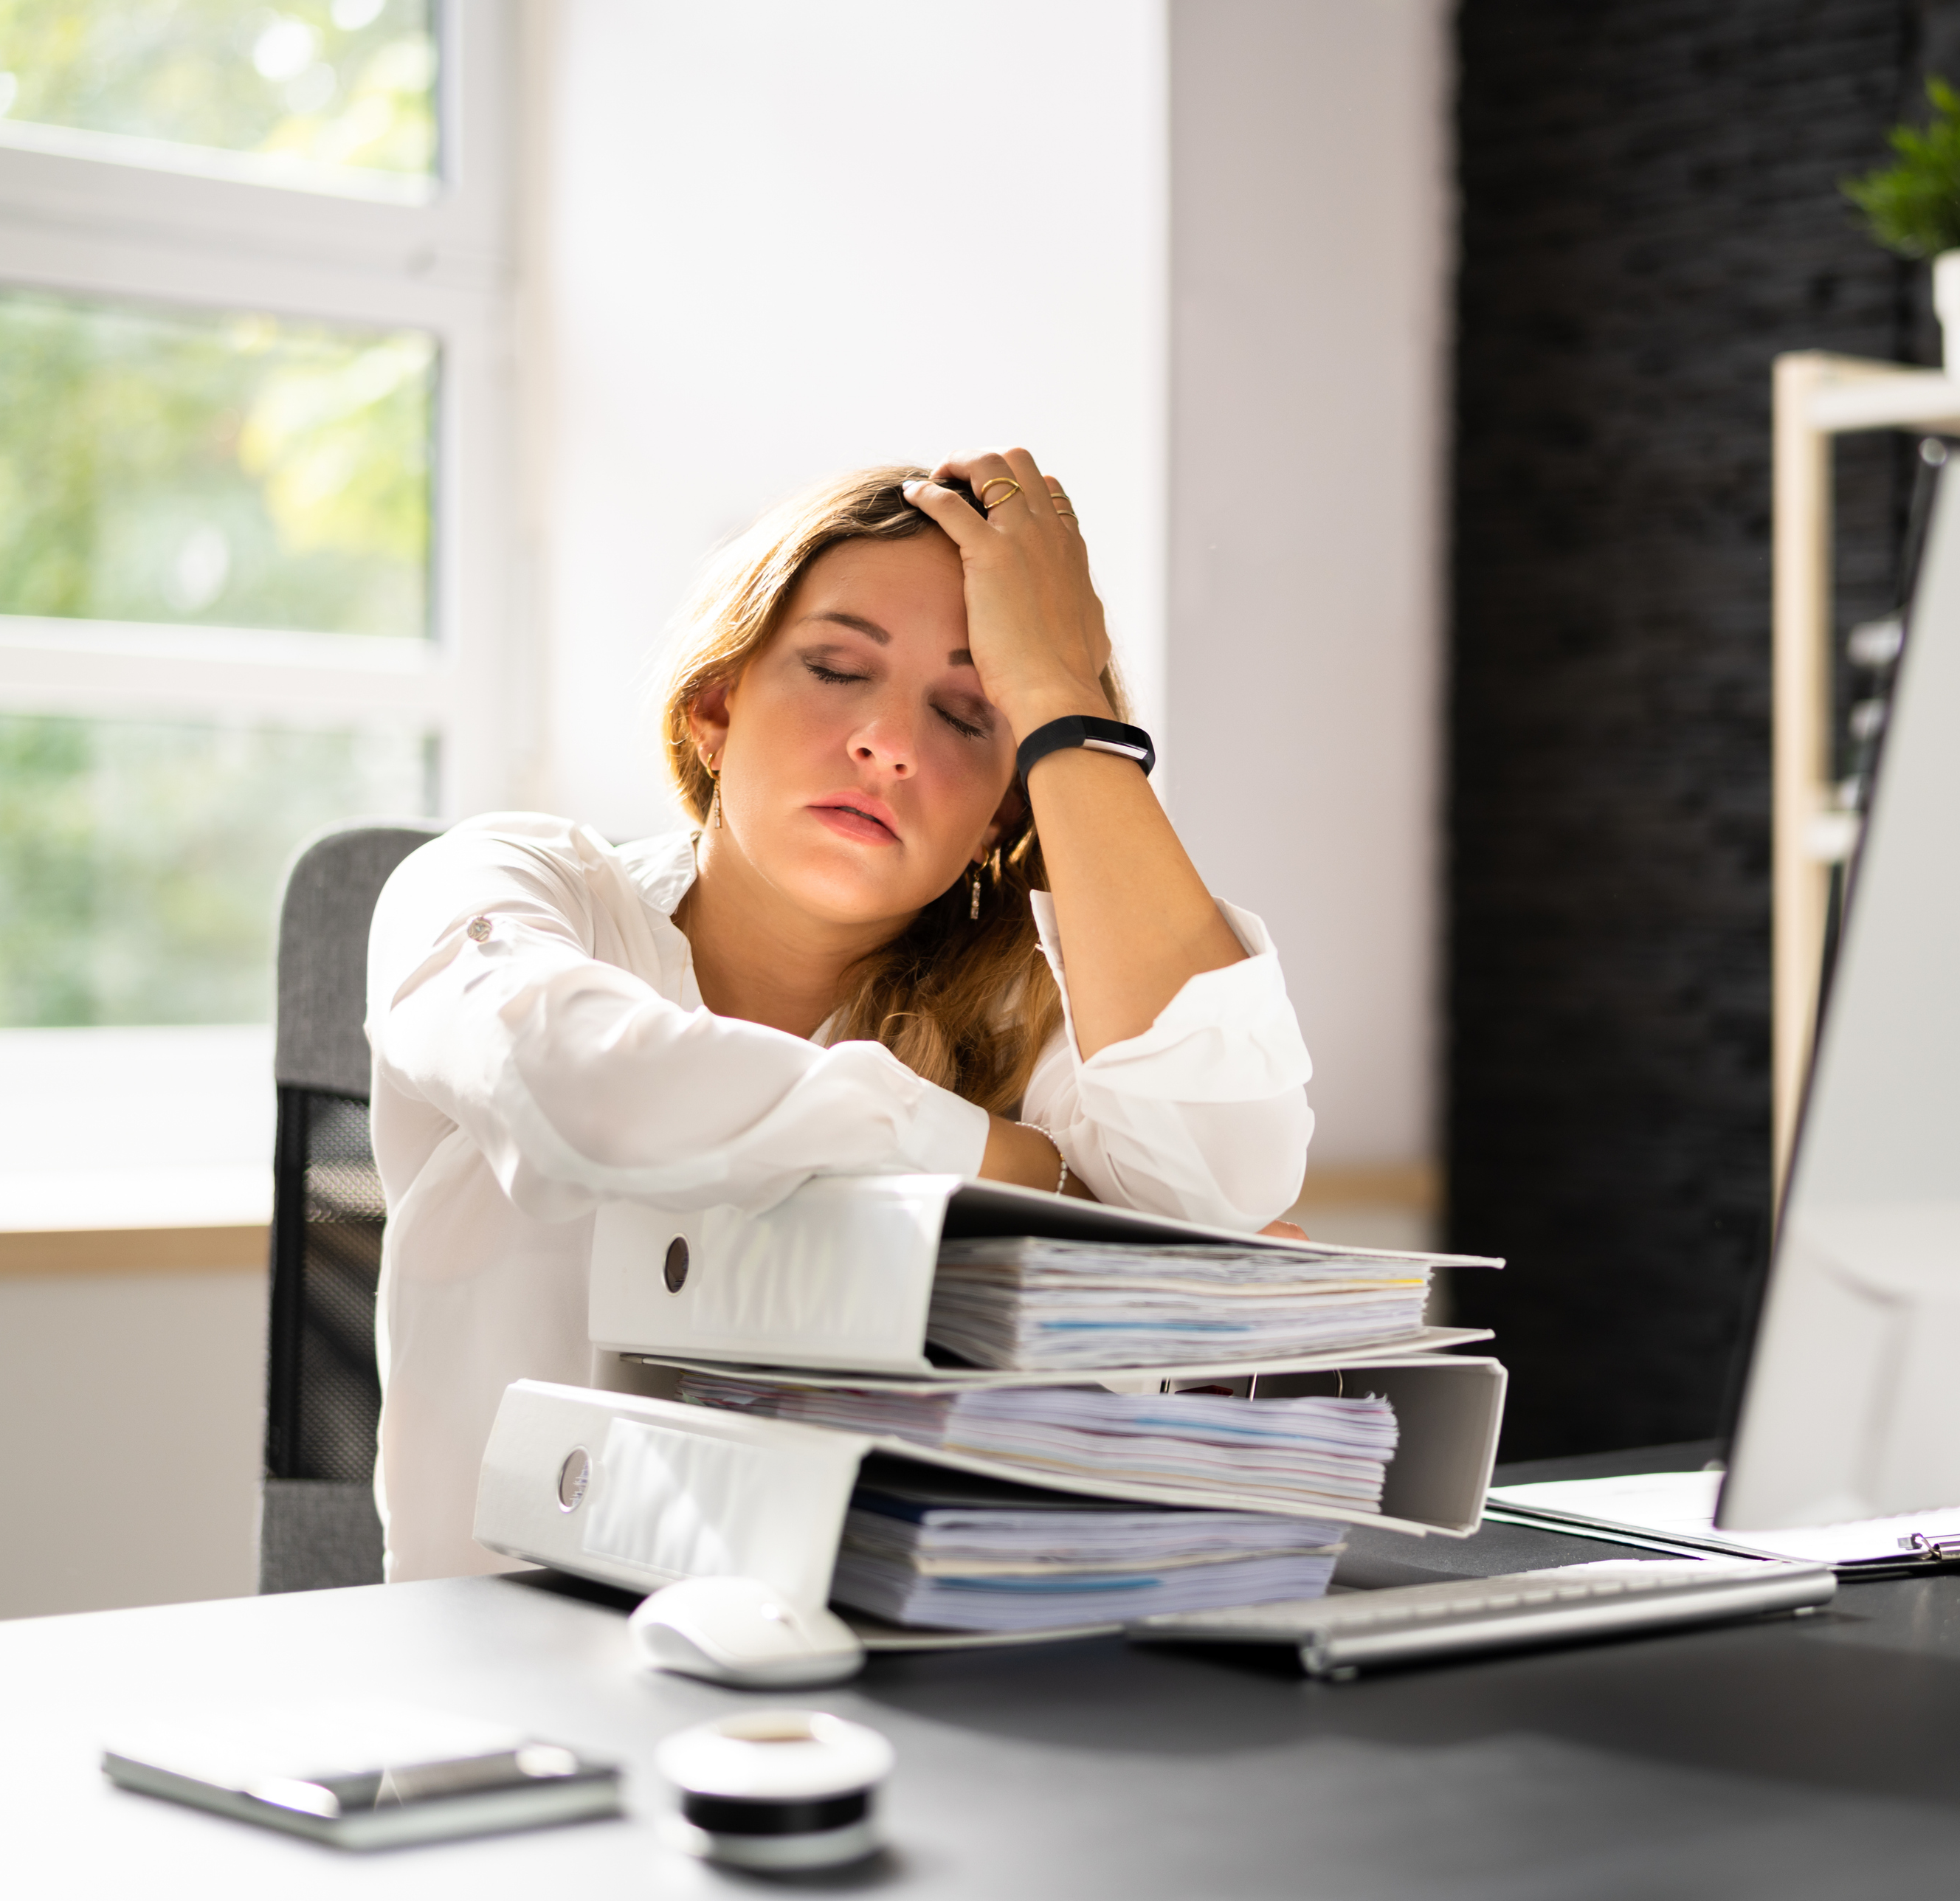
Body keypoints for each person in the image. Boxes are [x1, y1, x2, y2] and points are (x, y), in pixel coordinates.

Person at [362, 449, 1315, 1581]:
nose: (892, 745)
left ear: (1007, 801)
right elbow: (596, 1100)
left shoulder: (1028, 1014)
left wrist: (1062, 701)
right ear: (715, 706)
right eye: (834, 669)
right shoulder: (507, 883)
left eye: (968, 714)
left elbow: (1228, 1185)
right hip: (510, 1692)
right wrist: (1016, 1172)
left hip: (894, 1698)